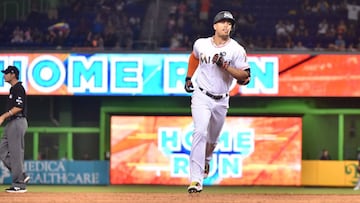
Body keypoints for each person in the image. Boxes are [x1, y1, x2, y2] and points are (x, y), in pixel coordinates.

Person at [184, 11, 251, 193]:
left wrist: (226, 66)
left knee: (212, 140)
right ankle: (196, 180)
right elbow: (194, 57)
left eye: (229, 23)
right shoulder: (201, 44)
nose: (226, 26)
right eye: (222, 22)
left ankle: (206, 160)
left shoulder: (236, 49)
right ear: (214, 26)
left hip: (222, 99)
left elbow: (246, 77)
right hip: (201, 95)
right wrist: (189, 77)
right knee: (199, 132)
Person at [0, 65, 30, 193]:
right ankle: (21, 174)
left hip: (18, 121)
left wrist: (3, 116)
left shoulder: (18, 88)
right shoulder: (13, 89)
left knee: (16, 154)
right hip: (11, 123)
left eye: (6, 73)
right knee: (2, 150)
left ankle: (19, 184)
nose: (4, 75)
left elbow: (19, 107)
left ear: (13, 74)